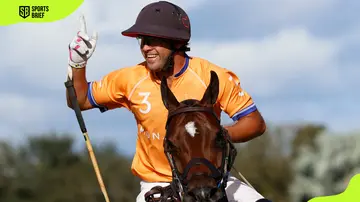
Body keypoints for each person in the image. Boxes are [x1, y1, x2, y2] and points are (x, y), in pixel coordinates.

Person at [66, 1, 267, 202]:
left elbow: (255, 123)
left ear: (177, 42)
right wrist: (78, 63)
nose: (145, 47)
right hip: (157, 183)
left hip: (213, 179)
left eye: (152, 40)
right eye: (142, 40)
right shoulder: (130, 79)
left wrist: (215, 136)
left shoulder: (211, 75)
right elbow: (80, 100)